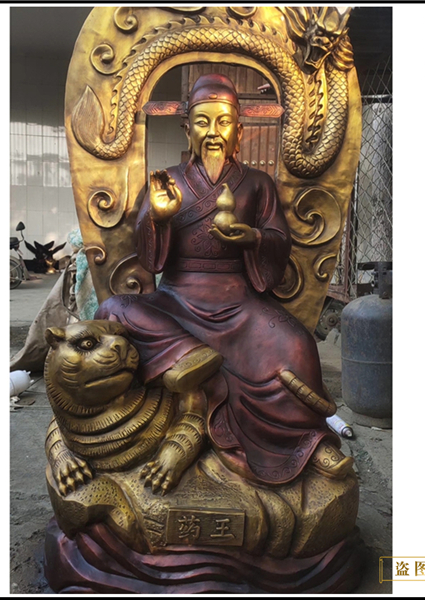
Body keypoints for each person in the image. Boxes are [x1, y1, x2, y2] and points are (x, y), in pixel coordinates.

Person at [96, 74, 352, 490]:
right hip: (177, 301)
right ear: (187, 129)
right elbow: (148, 260)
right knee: (113, 311)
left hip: (238, 303)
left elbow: (278, 241)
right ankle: (193, 356)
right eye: (202, 122)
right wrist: (157, 218)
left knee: (297, 344)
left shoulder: (257, 184)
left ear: (239, 130)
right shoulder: (168, 181)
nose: (213, 132)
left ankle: (308, 442)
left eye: (223, 122)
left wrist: (253, 238)